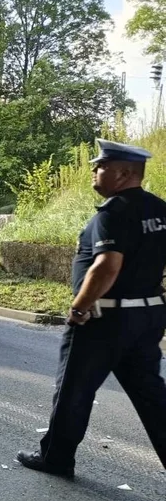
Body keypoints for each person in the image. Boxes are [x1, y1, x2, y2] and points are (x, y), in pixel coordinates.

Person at [18, 139, 166, 477]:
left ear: (124, 173)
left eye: (100, 166)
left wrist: (80, 308)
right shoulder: (160, 210)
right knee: (152, 397)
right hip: (147, 316)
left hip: (105, 318)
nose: (93, 171)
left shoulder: (114, 212)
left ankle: (56, 459)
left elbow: (105, 267)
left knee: (75, 389)